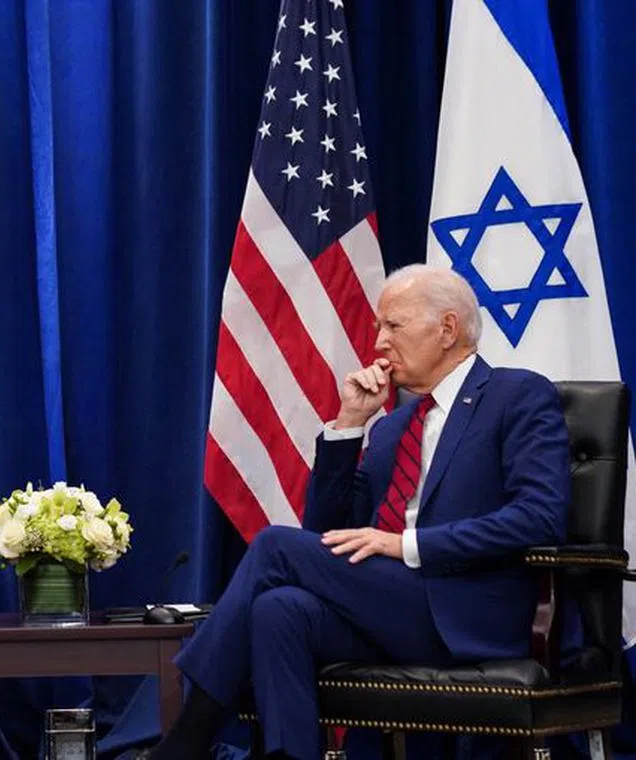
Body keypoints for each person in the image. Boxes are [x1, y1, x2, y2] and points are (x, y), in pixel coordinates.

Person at [150, 265, 571, 760]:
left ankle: (184, 742)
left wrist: (406, 545)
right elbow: (326, 533)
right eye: (378, 328)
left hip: (466, 610)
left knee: (273, 545)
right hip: (391, 608)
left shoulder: (517, 395)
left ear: (448, 329)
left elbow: (540, 516)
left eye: (393, 326)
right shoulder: (392, 427)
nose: (379, 343)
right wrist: (349, 425)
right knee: (278, 609)